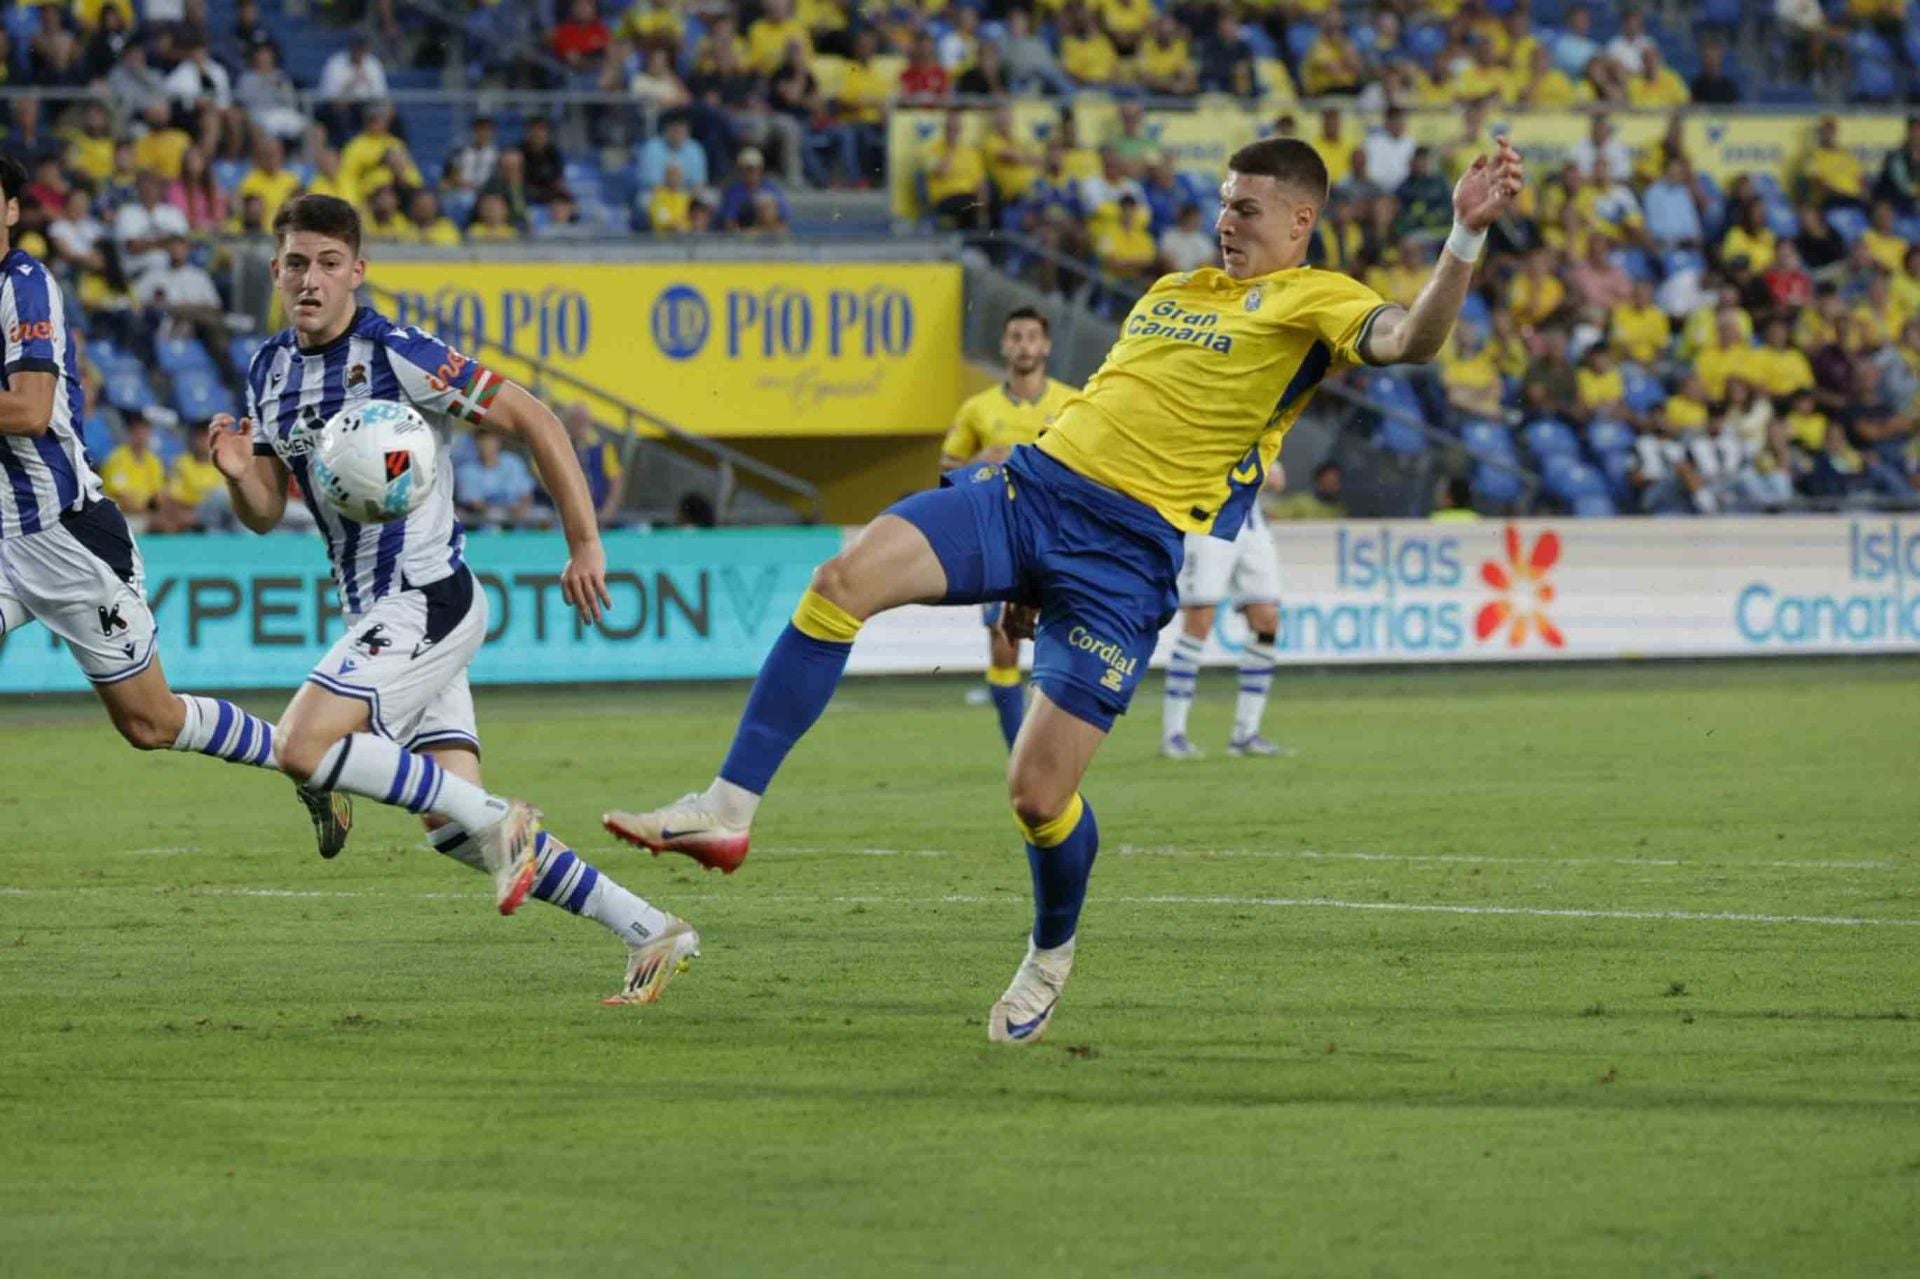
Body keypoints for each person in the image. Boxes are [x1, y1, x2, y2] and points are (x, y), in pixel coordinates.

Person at [603, 135, 1527, 1043]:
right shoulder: (1172, 293)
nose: (1224, 223)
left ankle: (1050, 952)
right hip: (1031, 490)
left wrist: (1463, 239)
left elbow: (1413, 337)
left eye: (1246, 209)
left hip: (1125, 557)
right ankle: (727, 809)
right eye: (1221, 204)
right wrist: (1024, 578)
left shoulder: (1317, 301)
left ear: (1301, 219)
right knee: (842, 579)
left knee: (1038, 794)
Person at [207, 195, 697, 1006]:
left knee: (300, 747)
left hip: (426, 596)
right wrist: (236, 474)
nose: (311, 279)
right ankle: (651, 928)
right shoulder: (270, 370)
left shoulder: (396, 352)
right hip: (373, 611)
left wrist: (585, 542)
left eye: (329, 263)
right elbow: (264, 513)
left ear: (357, 272)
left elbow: (534, 417)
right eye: (296, 262)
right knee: (456, 831)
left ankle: (500, 814)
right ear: (275, 270)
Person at [0, 155, 351, 860]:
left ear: (12, 211)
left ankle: (300, 759)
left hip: (64, 538)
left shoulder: (22, 285)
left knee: (150, 723)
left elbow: (32, 409)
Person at [938, 308, 1077, 751]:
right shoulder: (978, 408)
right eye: (1015, 336)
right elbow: (946, 470)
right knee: (1003, 637)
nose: (1023, 345)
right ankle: (1018, 749)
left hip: (1060, 533)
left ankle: (1058, 741)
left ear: (1047, 345)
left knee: (1064, 636)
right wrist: (982, 463)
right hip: (1002, 534)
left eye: (1032, 336)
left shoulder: (1073, 403)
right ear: (1004, 346)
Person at [1161, 465, 1288, 761]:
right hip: (1210, 520)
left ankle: (1245, 734)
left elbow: (1277, 480)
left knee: (1267, 620)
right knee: (1199, 622)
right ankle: (1173, 734)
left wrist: (1270, 472)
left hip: (1252, 524)